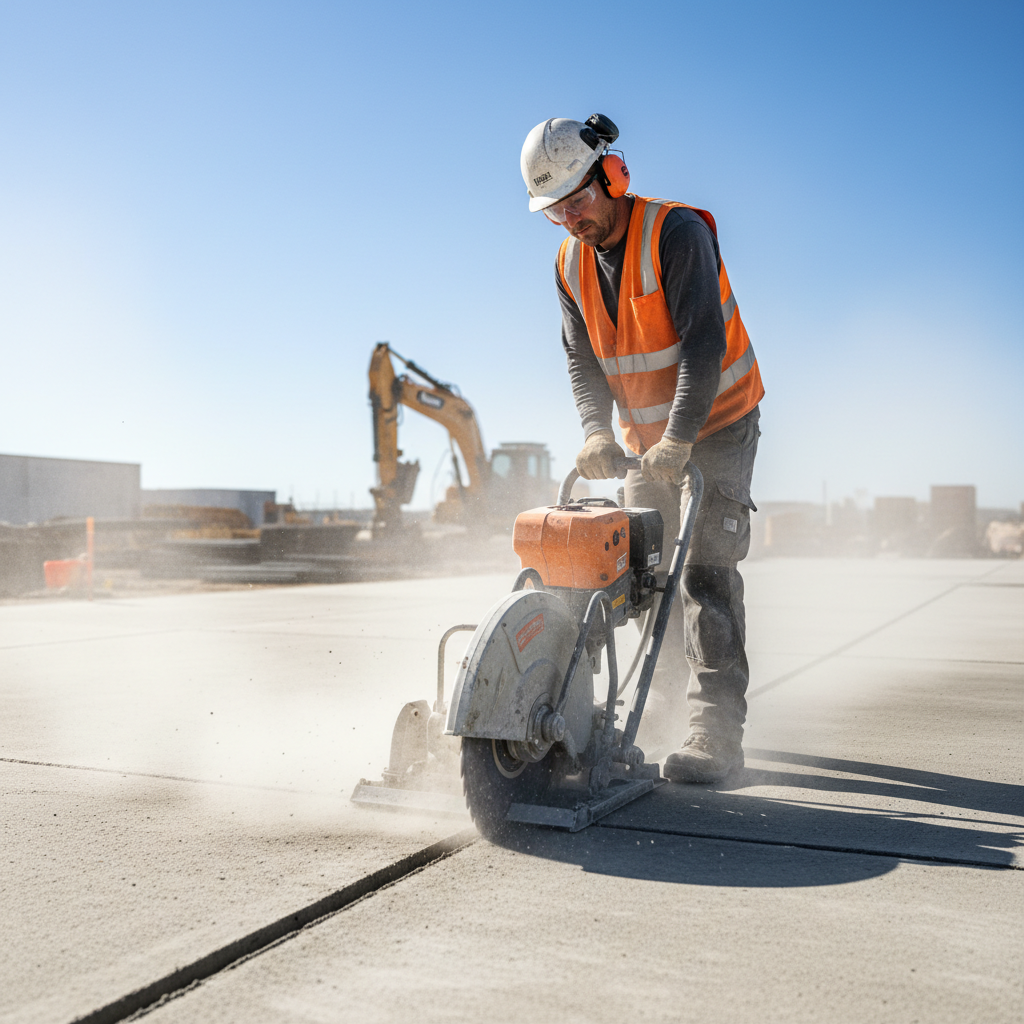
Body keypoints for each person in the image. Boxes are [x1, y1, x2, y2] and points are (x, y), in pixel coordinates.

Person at [520, 114, 764, 784]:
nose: (572, 220)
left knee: (705, 572)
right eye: (556, 212)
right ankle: (662, 706)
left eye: (579, 201)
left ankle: (714, 734)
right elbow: (582, 363)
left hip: (716, 422)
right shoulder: (569, 262)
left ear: (612, 176)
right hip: (644, 442)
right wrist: (597, 432)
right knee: (637, 576)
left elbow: (704, 346)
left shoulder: (675, 232)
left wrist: (681, 439)